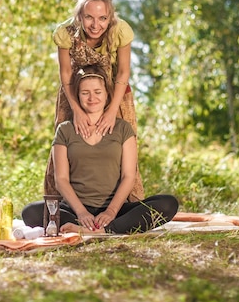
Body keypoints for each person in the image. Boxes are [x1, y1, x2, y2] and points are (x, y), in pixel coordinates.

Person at [24, 65, 179, 234]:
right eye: (85, 93)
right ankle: (90, 226)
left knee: (168, 203)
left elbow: (129, 176)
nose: (92, 98)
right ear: (77, 95)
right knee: (30, 212)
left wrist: (111, 212)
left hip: (115, 210)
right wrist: (82, 212)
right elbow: (61, 179)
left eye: (98, 92)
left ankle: (103, 230)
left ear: (107, 94)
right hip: (75, 210)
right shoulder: (65, 130)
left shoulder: (123, 129)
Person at [44, 0, 145, 202]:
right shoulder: (66, 33)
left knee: (120, 141)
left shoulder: (120, 31)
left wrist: (110, 112)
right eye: (89, 17)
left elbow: (124, 72)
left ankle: (125, 204)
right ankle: (59, 206)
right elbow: (65, 73)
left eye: (102, 18)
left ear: (110, 17)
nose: (95, 25)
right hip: (74, 91)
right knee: (65, 140)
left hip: (115, 90)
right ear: (79, 15)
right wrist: (76, 109)